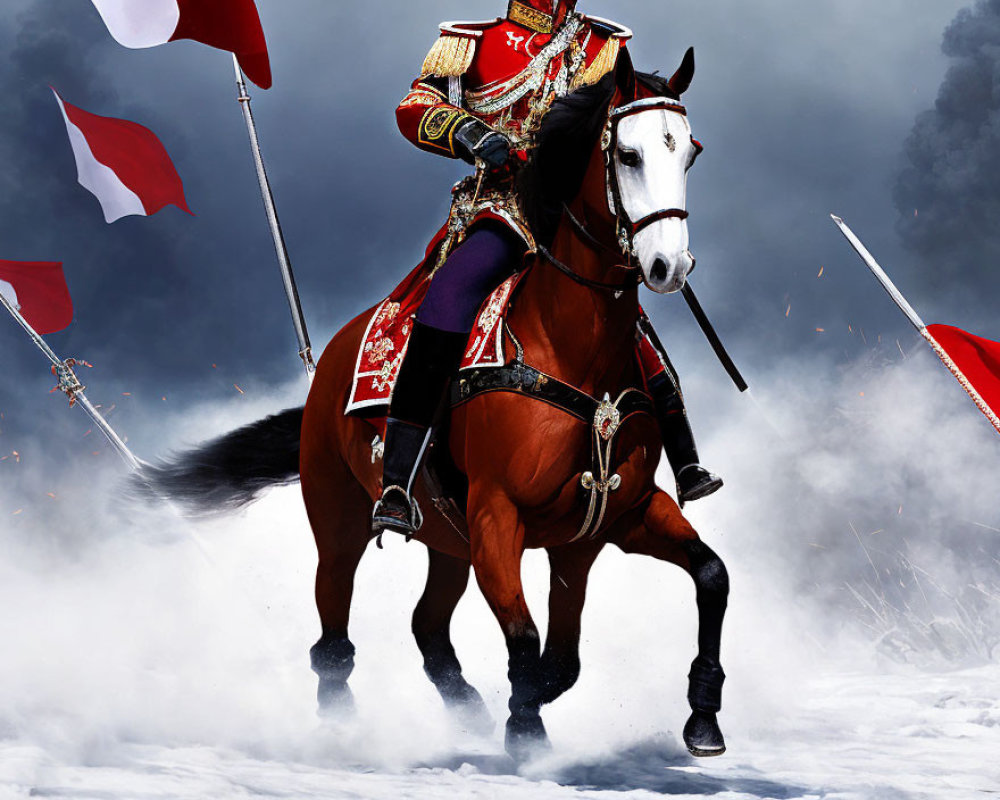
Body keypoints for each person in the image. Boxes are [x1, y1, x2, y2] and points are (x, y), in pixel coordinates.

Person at [374, 1, 722, 536]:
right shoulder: (472, 41)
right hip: (501, 209)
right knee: (450, 295)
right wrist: (470, 135)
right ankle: (398, 480)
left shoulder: (603, 47)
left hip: (573, 219)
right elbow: (414, 105)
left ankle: (683, 456)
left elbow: (631, 125)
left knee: (627, 317)